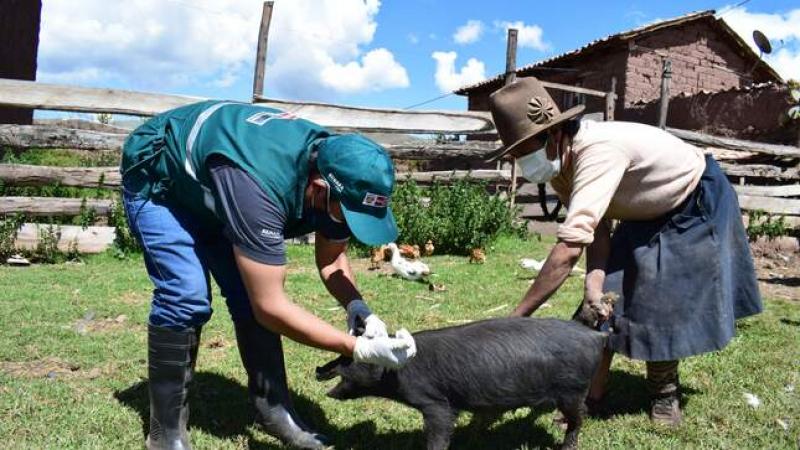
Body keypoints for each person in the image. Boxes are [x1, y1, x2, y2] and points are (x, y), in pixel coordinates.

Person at [120, 100, 417, 450]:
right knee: (185, 295)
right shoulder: (260, 185)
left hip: (217, 185)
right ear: (320, 189)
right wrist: (357, 348)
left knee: (248, 293)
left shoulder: (341, 172)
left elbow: (332, 261)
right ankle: (164, 433)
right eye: (349, 215)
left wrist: (359, 308)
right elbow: (271, 307)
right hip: (162, 180)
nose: (350, 225)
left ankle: (274, 411)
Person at [487, 77, 762, 426]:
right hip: (643, 208)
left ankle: (664, 392)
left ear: (553, 135)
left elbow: (569, 247)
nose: (522, 162)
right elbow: (595, 230)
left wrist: (516, 318)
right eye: (516, 154)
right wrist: (593, 288)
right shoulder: (560, 168)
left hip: (691, 200)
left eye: (525, 152)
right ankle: (590, 397)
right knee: (598, 307)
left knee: (656, 298)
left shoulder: (597, 152)